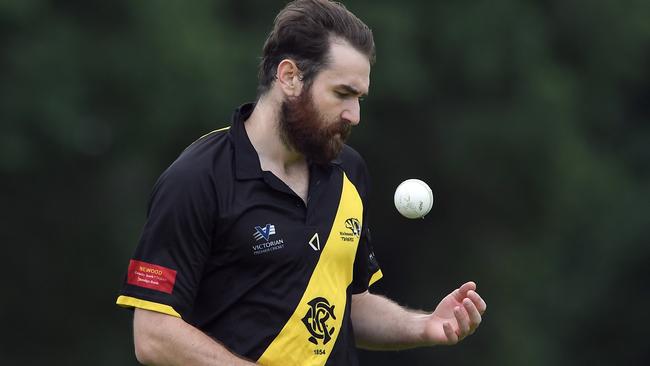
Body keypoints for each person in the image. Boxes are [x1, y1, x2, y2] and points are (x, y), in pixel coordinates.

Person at [115, 0, 487, 365]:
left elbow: (345, 304)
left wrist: (423, 326)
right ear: (290, 77)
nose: (354, 115)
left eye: (359, 98)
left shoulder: (349, 174)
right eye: (342, 94)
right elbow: (153, 335)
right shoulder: (196, 179)